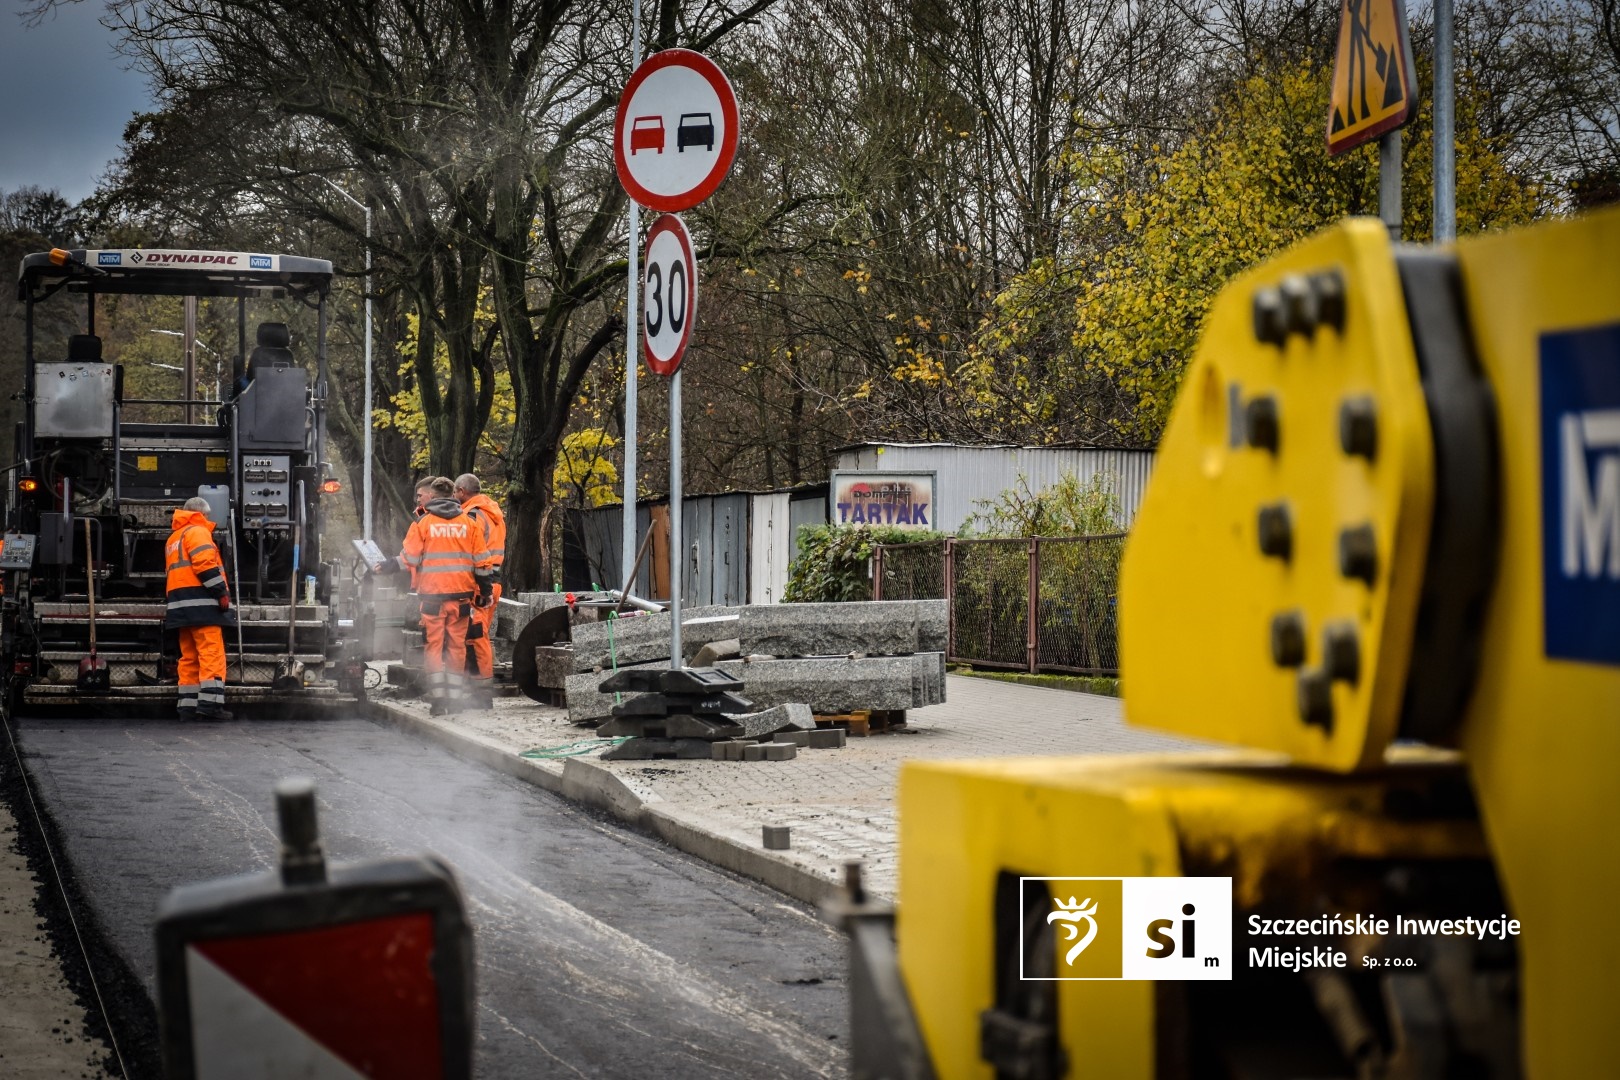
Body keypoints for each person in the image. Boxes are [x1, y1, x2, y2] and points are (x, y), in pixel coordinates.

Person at [378, 477, 491, 714]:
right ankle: (455, 700)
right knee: (457, 647)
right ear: (453, 495)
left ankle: (438, 701)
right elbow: (482, 563)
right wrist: (485, 592)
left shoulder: (423, 523)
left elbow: (410, 559)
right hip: (461, 598)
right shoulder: (469, 523)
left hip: (432, 599)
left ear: (433, 495)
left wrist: (388, 565)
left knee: (434, 647)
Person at [165, 497, 236, 721]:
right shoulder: (198, 531)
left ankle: (187, 707)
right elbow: (204, 564)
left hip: (181, 606)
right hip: (202, 605)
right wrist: (221, 592)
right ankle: (210, 706)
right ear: (202, 514)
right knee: (211, 654)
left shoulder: (174, 537)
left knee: (189, 657)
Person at [455, 473, 506, 709]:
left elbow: (471, 552)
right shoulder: (494, 514)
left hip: (480, 584)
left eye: (455, 492)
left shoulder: (472, 515)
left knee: (476, 637)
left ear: (462, 491)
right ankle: (477, 691)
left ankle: (481, 695)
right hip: (493, 582)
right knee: (478, 635)